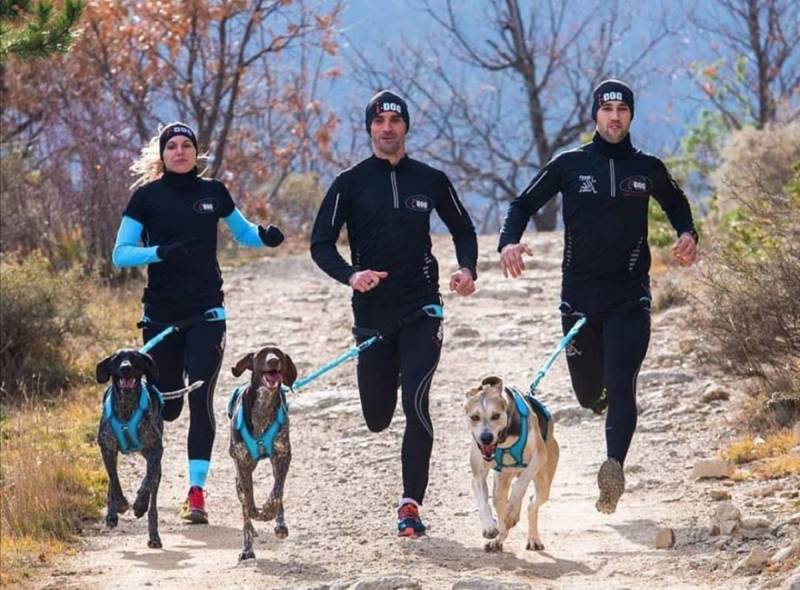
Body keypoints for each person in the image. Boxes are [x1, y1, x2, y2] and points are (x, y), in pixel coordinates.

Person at [497, 80, 698, 514]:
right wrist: (509, 242)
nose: (614, 117)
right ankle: (598, 403)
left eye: (622, 110)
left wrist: (687, 233)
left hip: (630, 296)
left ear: (630, 116)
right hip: (579, 301)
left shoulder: (646, 168)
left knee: (622, 378)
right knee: (590, 393)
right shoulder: (571, 164)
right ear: (595, 115)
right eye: (607, 110)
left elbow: (677, 203)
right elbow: (522, 204)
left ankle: (613, 467)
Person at [310, 90, 478, 537]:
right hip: (372, 313)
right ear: (369, 128)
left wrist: (466, 268)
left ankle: (410, 506)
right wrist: (351, 275)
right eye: (379, 120)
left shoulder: (430, 179)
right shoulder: (350, 182)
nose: (387, 127)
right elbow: (320, 243)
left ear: (406, 127)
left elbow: (462, 227)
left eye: (395, 120)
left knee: (416, 401)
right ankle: (389, 379)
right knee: (377, 416)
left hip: (422, 307)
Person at [112, 122, 285, 524]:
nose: (179, 151)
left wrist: (267, 236)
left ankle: (196, 494)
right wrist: (160, 252)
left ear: (196, 152)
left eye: (186, 144)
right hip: (161, 315)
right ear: (162, 154)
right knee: (167, 406)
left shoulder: (214, 192)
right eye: (171, 146)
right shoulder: (146, 198)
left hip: (207, 312)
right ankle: (150, 472)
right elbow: (120, 254)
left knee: (201, 398)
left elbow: (242, 234)